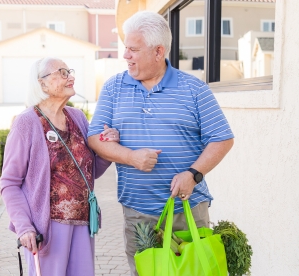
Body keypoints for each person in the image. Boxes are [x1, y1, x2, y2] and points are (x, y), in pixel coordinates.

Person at [87, 11, 234, 276]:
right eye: (125, 48)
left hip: (188, 209)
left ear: (158, 51)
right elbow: (95, 137)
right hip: (138, 212)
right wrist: (130, 156)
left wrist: (193, 174)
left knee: (196, 271)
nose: (125, 56)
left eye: (133, 49)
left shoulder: (194, 89)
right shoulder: (113, 88)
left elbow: (222, 138)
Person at [0, 57, 119, 276]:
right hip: (48, 228)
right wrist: (24, 227)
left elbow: (89, 172)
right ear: (42, 83)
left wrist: (107, 148)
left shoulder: (78, 118)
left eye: (69, 72)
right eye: (62, 73)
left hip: (83, 224)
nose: (70, 77)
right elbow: (10, 183)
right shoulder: (26, 122)